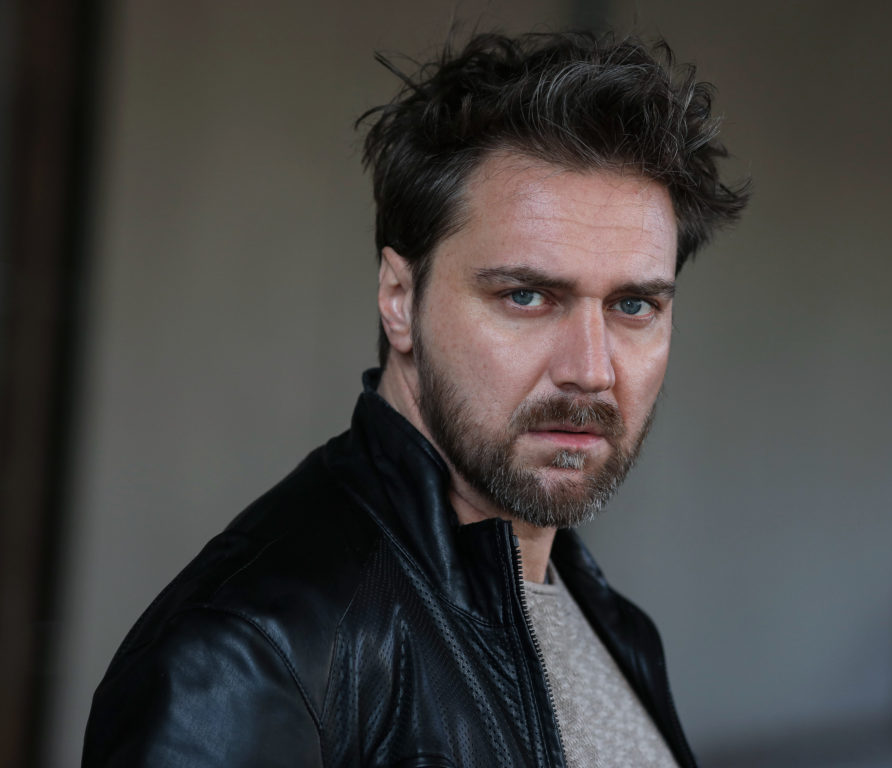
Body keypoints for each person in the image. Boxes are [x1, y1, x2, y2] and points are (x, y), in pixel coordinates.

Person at [83, 30, 748, 767]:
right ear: (399, 300)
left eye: (633, 306)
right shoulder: (248, 656)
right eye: (526, 296)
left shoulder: (615, 626)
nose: (591, 371)